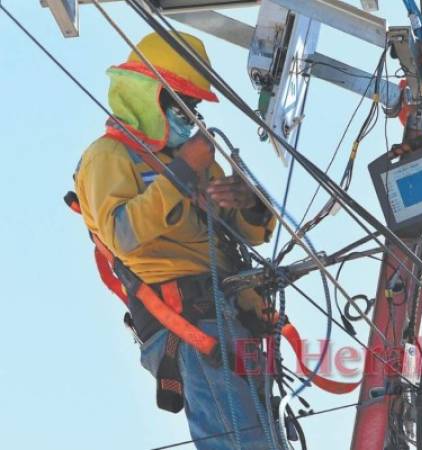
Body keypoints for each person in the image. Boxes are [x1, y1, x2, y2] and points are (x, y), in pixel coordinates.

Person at [73, 31, 278, 449]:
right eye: (179, 104)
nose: (191, 117)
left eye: (194, 107)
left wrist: (248, 203)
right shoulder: (108, 157)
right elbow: (124, 235)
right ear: (148, 96)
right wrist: (182, 172)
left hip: (231, 314)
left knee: (263, 439)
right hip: (188, 321)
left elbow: (250, 233)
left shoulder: (196, 163)